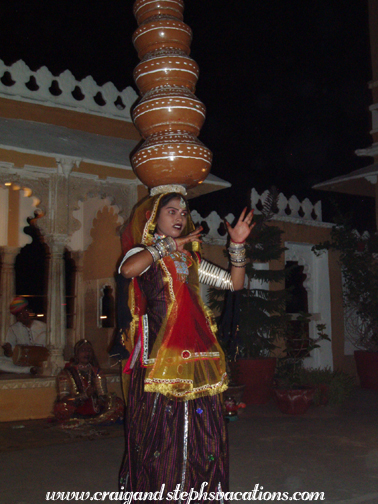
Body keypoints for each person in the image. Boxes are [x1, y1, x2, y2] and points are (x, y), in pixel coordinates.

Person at [118, 185, 254, 499]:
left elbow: (234, 283)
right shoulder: (145, 253)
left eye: (182, 212)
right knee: (160, 435)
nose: (180, 217)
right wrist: (168, 246)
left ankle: (197, 492)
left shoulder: (190, 261)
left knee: (200, 431)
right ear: (154, 217)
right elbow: (128, 269)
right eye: (171, 211)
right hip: (157, 360)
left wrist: (237, 246)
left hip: (195, 356)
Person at [53, 339, 124, 427]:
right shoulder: (66, 373)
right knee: (62, 406)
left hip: (95, 407)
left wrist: (103, 399)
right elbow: (63, 397)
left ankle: (92, 420)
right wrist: (84, 395)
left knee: (117, 402)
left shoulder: (96, 371)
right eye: (83, 351)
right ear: (77, 354)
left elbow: (103, 394)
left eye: (89, 351)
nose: (87, 353)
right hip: (76, 407)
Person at [0, 297, 47, 374]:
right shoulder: (13, 329)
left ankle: (33, 368)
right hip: (23, 362)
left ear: (30, 311)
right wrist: (7, 350)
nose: (25, 314)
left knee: (43, 336)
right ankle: (30, 370)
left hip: (41, 359)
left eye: (26, 310)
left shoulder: (43, 326)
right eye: (21, 313)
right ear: (18, 318)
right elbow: (10, 354)